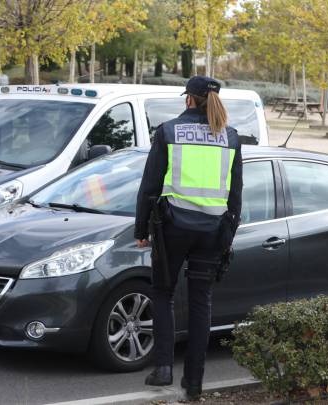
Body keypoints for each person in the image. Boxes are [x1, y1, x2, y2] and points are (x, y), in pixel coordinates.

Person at [134, 76, 243, 399]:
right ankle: (194, 383)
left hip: (173, 229)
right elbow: (235, 195)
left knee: (163, 294)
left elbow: (150, 186)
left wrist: (141, 230)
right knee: (200, 303)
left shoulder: (168, 132)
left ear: (189, 100)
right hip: (212, 231)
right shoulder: (231, 138)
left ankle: (164, 367)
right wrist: (227, 235)